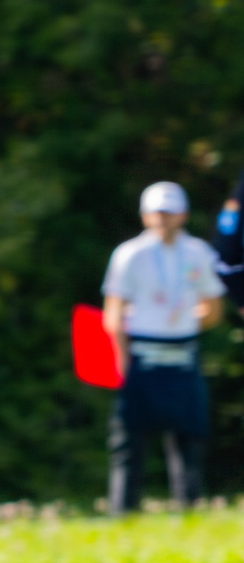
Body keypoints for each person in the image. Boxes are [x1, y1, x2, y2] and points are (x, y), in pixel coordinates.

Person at [102, 180, 222, 514]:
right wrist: (122, 361)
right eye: (156, 213)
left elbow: (212, 307)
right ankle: (123, 511)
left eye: (169, 213)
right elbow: (113, 313)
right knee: (129, 440)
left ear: (182, 215)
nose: (163, 219)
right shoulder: (129, 254)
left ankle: (189, 509)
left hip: (183, 353)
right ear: (145, 216)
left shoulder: (199, 253)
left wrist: (183, 322)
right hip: (140, 354)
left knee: (189, 435)